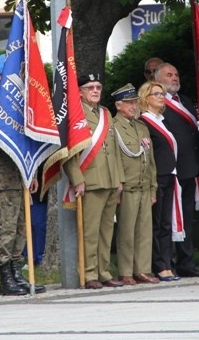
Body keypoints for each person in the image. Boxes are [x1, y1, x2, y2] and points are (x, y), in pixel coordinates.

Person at [0, 54, 44, 296]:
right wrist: (7, 139)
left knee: (19, 229)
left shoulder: (19, 106)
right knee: (6, 229)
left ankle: (17, 274)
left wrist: (33, 173)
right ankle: (5, 278)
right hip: (3, 178)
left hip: (21, 177)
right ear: (0, 77)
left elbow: (29, 143)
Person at [64, 73, 124, 289]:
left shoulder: (106, 113)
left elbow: (114, 150)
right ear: (79, 91)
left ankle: (103, 271)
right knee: (90, 231)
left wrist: (119, 179)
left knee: (106, 230)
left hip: (109, 179)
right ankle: (89, 274)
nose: (96, 90)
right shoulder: (76, 115)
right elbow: (69, 152)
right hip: (90, 180)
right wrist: (77, 179)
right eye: (90, 87)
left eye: (98, 87)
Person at [154, 63, 199, 277]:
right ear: (157, 80)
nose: (174, 78)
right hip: (169, 170)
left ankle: (186, 262)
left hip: (189, 169)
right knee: (166, 220)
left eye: (176, 74)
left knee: (186, 218)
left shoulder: (184, 101)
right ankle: (166, 263)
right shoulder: (157, 104)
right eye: (169, 75)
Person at [111, 83, 159, 285]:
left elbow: (150, 161)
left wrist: (153, 187)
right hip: (127, 187)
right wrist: (118, 186)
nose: (133, 106)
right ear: (118, 105)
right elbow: (114, 159)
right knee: (127, 232)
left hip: (143, 186)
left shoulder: (141, 127)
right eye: (129, 103)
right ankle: (126, 271)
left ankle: (143, 269)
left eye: (135, 102)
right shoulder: (114, 127)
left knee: (144, 231)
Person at [138, 81, 181, 281]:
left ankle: (167, 263)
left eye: (162, 93)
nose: (161, 97)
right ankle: (159, 265)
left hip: (169, 174)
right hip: (156, 177)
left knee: (165, 223)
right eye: (156, 94)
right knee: (156, 223)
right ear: (146, 98)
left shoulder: (162, 120)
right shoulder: (144, 122)